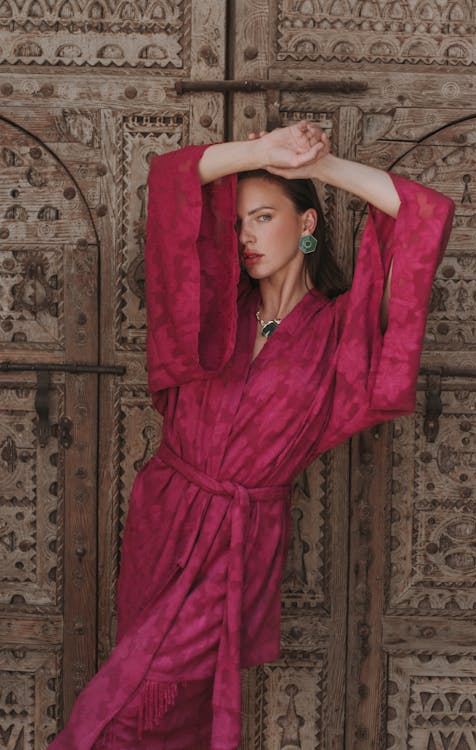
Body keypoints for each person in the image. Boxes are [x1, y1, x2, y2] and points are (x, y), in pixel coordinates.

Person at [49, 122, 454, 750]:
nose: (246, 237)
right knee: (162, 696)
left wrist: (315, 167)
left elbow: (424, 213)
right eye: (239, 223)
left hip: (241, 536)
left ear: (308, 224)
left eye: (264, 217)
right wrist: (261, 154)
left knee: (131, 698)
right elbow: (170, 182)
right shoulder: (213, 312)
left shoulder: (343, 331)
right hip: (164, 516)